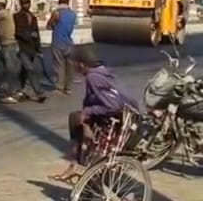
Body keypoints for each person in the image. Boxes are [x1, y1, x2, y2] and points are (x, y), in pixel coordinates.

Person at [50, 45, 143, 183]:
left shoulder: (93, 77)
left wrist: (88, 112)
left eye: (74, 64)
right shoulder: (102, 71)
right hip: (127, 115)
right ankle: (76, 164)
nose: (73, 68)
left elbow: (111, 105)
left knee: (77, 120)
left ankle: (76, 164)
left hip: (120, 119)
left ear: (81, 64)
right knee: (76, 119)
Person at [13, 0, 48, 103]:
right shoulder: (16, 16)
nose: (26, 5)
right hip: (22, 47)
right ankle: (39, 92)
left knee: (24, 71)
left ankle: (20, 90)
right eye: (24, 3)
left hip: (31, 49)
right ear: (21, 4)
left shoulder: (32, 17)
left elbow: (37, 34)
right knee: (30, 69)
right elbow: (17, 32)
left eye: (28, 2)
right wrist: (29, 35)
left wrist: (39, 49)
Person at [46, 0, 77, 94]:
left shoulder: (56, 13)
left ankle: (59, 86)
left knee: (59, 65)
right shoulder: (73, 14)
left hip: (58, 42)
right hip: (69, 43)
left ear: (59, 1)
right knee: (70, 66)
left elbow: (49, 25)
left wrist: (53, 25)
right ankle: (68, 87)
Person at [0, 0, 18, 104]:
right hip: (5, 45)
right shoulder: (5, 13)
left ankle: (11, 93)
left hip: (8, 45)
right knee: (0, 69)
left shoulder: (2, 13)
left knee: (10, 69)